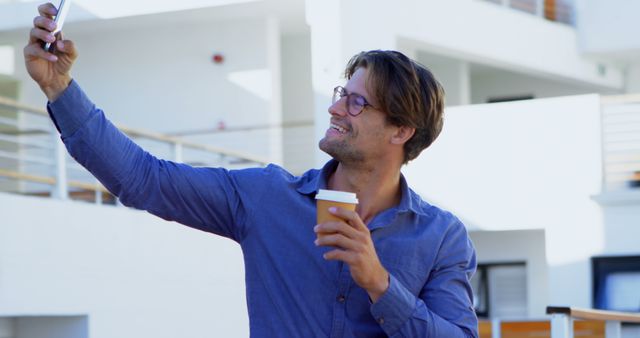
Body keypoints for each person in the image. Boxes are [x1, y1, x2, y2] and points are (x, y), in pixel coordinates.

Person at [25, 3, 478, 337]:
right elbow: (145, 180)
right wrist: (58, 87)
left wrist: (380, 284)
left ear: (401, 130)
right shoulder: (265, 197)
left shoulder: (442, 238)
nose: (336, 107)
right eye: (343, 92)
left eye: (357, 102)